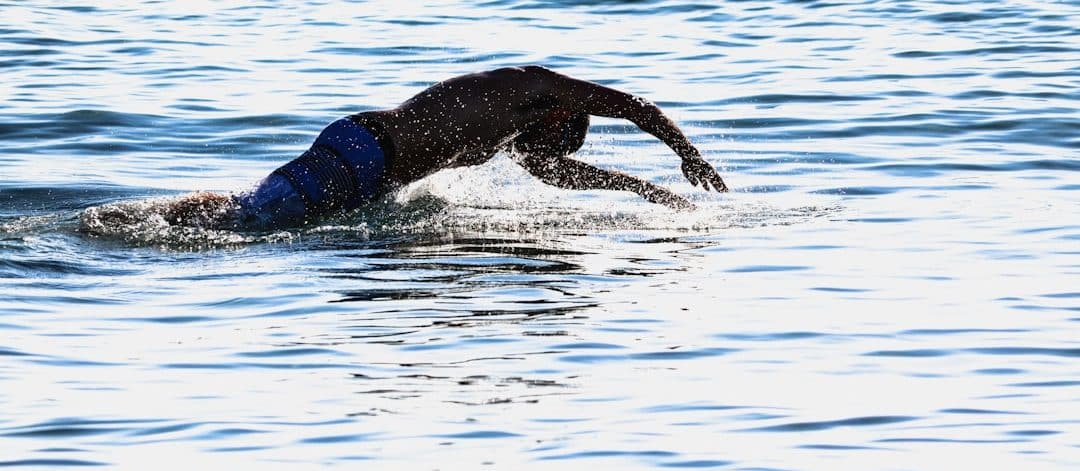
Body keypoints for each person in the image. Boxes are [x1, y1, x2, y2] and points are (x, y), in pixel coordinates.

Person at [165, 65, 728, 230]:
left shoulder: (519, 132)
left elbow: (559, 174)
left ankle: (164, 215)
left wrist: (643, 189)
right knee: (248, 226)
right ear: (563, 114)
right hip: (370, 152)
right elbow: (635, 106)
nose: (541, 152)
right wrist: (688, 154)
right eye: (555, 139)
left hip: (364, 151)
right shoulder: (534, 86)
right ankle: (128, 223)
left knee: (248, 214)